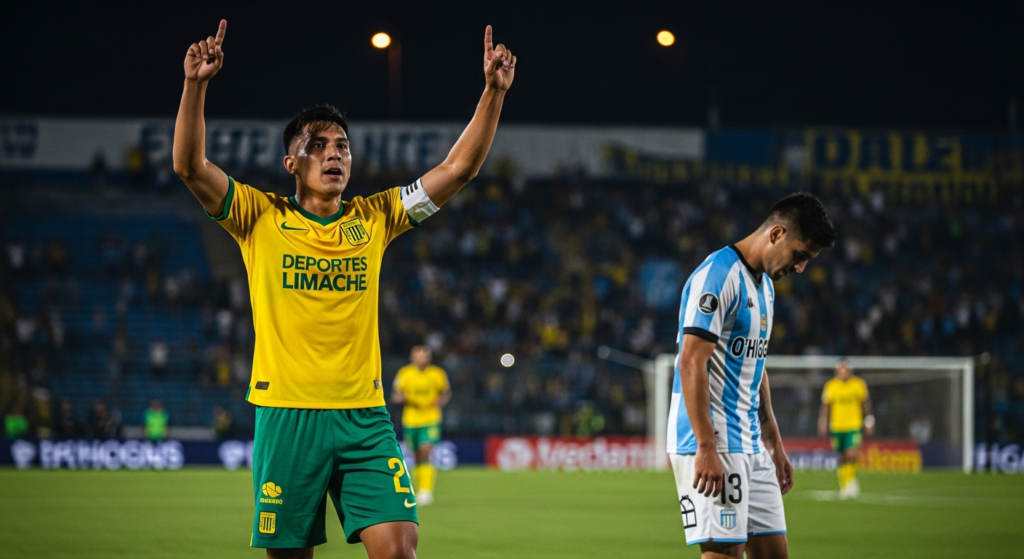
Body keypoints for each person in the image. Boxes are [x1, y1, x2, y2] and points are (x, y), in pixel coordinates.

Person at [172, 19, 514, 559]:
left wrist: (493, 92)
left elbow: (458, 169)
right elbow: (190, 167)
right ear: (292, 163)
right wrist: (196, 85)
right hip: (287, 413)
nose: (335, 154)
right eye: (319, 146)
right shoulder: (258, 216)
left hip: (365, 416)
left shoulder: (376, 216)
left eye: (343, 147)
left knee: (398, 550)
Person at [667, 192, 836, 559]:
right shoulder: (718, 275)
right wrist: (706, 447)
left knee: (774, 553)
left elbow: (754, 366)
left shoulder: (766, 287)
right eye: (800, 255)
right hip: (712, 439)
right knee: (726, 552)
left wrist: (773, 441)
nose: (801, 268)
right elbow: (690, 362)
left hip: (750, 442)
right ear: (776, 234)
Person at [391, 345, 451, 506]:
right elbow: (397, 394)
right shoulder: (405, 373)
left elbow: (445, 392)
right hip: (411, 420)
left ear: (429, 358)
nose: (422, 358)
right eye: (418, 355)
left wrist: (440, 401)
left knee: (426, 450)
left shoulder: (437, 373)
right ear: (412, 358)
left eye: (424, 356)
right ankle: (419, 489)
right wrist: (401, 398)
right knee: (417, 455)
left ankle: (426, 491)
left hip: (431, 418)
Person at [818, 360, 873, 499]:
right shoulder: (831, 385)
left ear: (850, 372)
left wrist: (869, 420)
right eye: (840, 371)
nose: (843, 374)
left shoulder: (858, 384)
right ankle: (844, 484)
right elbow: (826, 405)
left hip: (854, 425)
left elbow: (865, 403)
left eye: (845, 371)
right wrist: (823, 422)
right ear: (836, 372)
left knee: (852, 453)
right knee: (842, 456)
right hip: (837, 426)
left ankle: (851, 482)